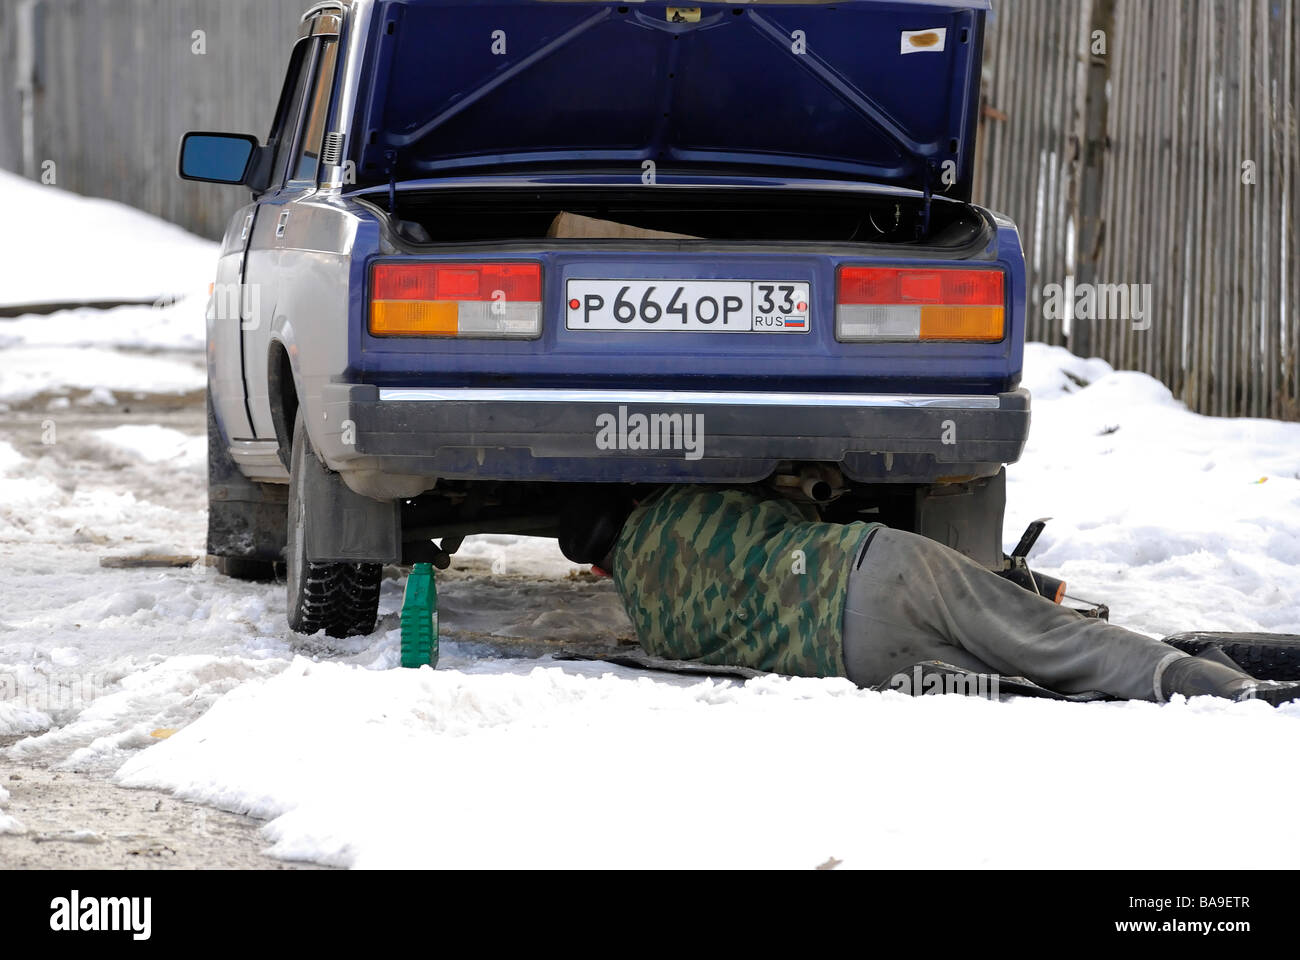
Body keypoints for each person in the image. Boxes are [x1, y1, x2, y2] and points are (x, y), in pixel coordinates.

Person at [560, 484, 1300, 706]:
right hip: (876, 569)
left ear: (598, 568)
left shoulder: (650, 623)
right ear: (631, 498)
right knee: (1058, 641)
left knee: (1038, 679)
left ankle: (1186, 681)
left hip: (858, 656)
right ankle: (1224, 689)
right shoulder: (687, 502)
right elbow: (795, 511)